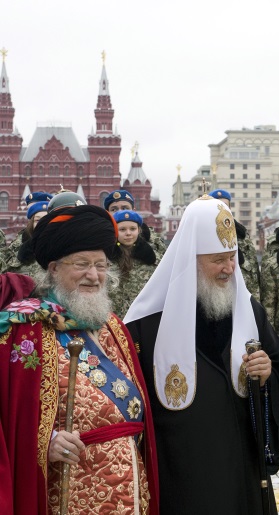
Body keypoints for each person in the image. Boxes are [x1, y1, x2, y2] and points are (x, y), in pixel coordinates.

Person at [124, 195, 279, 514]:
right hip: (181, 472)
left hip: (241, 467)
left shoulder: (249, 311)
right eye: (217, 259)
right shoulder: (145, 324)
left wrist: (267, 374)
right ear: (190, 258)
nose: (228, 269)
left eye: (232, 257)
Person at [0, 204, 158, 514]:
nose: (93, 275)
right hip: (67, 491)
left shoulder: (113, 325)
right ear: (54, 269)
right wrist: (46, 439)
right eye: (82, 264)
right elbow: (8, 415)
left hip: (132, 489)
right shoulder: (26, 329)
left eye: (100, 265)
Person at [209, 189, 261, 300]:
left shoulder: (243, 235)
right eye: (218, 207)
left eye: (225, 206)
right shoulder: (205, 235)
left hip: (244, 295)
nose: (222, 211)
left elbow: (253, 271)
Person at [108, 210, 157, 318]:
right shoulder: (107, 258)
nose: (128, 233)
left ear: (139, 230)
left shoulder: (151, 258)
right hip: (115, 319)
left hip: (143, 318)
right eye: (122, 229)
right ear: (115, 231)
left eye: (133, 229)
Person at [0, 192, 52, 279]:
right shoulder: (22, 240)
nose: (42, 224)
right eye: (37, 220)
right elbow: (7, 267)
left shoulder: (60, 244)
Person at [104, 189, 167, 260]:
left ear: (133, 210)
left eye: (125, 208)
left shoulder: (152, 240)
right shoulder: (101, 241)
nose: (120, 213)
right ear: (108, 213)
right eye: (114, 210)